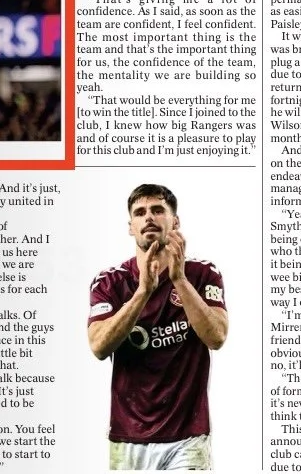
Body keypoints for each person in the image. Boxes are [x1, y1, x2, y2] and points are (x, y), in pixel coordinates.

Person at [87, 184, 228, 470]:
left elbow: (217, 337)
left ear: (175, 221)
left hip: (187, 437)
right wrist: (142, 292)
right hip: (128, 437)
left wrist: (179, 280)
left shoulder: (203, 274)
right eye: (140, 212)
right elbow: (99, 347)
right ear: (131, 227)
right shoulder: (110, 282)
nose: (148, 217)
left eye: (157, 210)